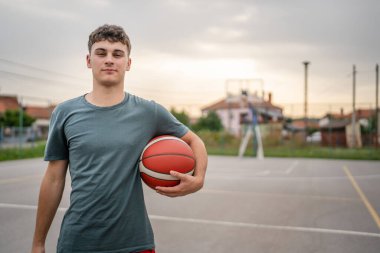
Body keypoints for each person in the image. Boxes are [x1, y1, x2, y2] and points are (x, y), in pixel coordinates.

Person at [31, 24, 208, 253]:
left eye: (117, 54)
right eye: (101, 53)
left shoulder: (148, 112)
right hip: (78, 241)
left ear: (128, 63)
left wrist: (199, 179)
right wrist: (38, 243)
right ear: (88, 60)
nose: (109, 60)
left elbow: (195, 141)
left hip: (134, 242)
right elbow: (54, 179)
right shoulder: (65, 112)